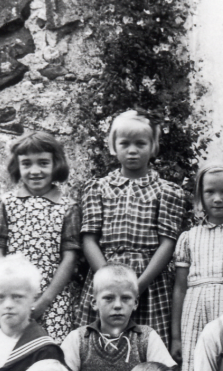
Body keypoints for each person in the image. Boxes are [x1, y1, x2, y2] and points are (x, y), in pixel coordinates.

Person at [78, 109, 187, 347]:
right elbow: (89, 239)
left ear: (153, 147)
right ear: (113, 146)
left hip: (147, 281)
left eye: (140, 143)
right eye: (124, 143)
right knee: (100, 348)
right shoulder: (97, 188)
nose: (133, 150)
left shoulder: (166, 191)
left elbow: (167, 243)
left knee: (145, 348)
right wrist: (109, 280)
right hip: (105, 273)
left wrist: (136, 286)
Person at [0, 131, 81, 341]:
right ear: (17, 167)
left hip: (53, 300)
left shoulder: (68, 207)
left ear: (55, 164)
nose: (35, 170)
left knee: (50, 361)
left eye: (43, 163)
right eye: (27, 164)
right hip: (11, 300)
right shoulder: (5, 204)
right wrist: (5, 296)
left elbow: (70, 258)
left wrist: (44, 301)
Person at [61, 264, 175, 371]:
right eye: (108, 298)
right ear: (94, 302)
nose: (117, 305)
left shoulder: (146, 338)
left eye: (126, 298)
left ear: (135, 303)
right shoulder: (78, 339)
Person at [170, 159, 223, 371]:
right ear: (200, 195)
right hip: (196, 316)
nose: (217, 198)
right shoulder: (190, 237)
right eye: (210, 192)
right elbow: (180, 288)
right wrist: (176, 337)